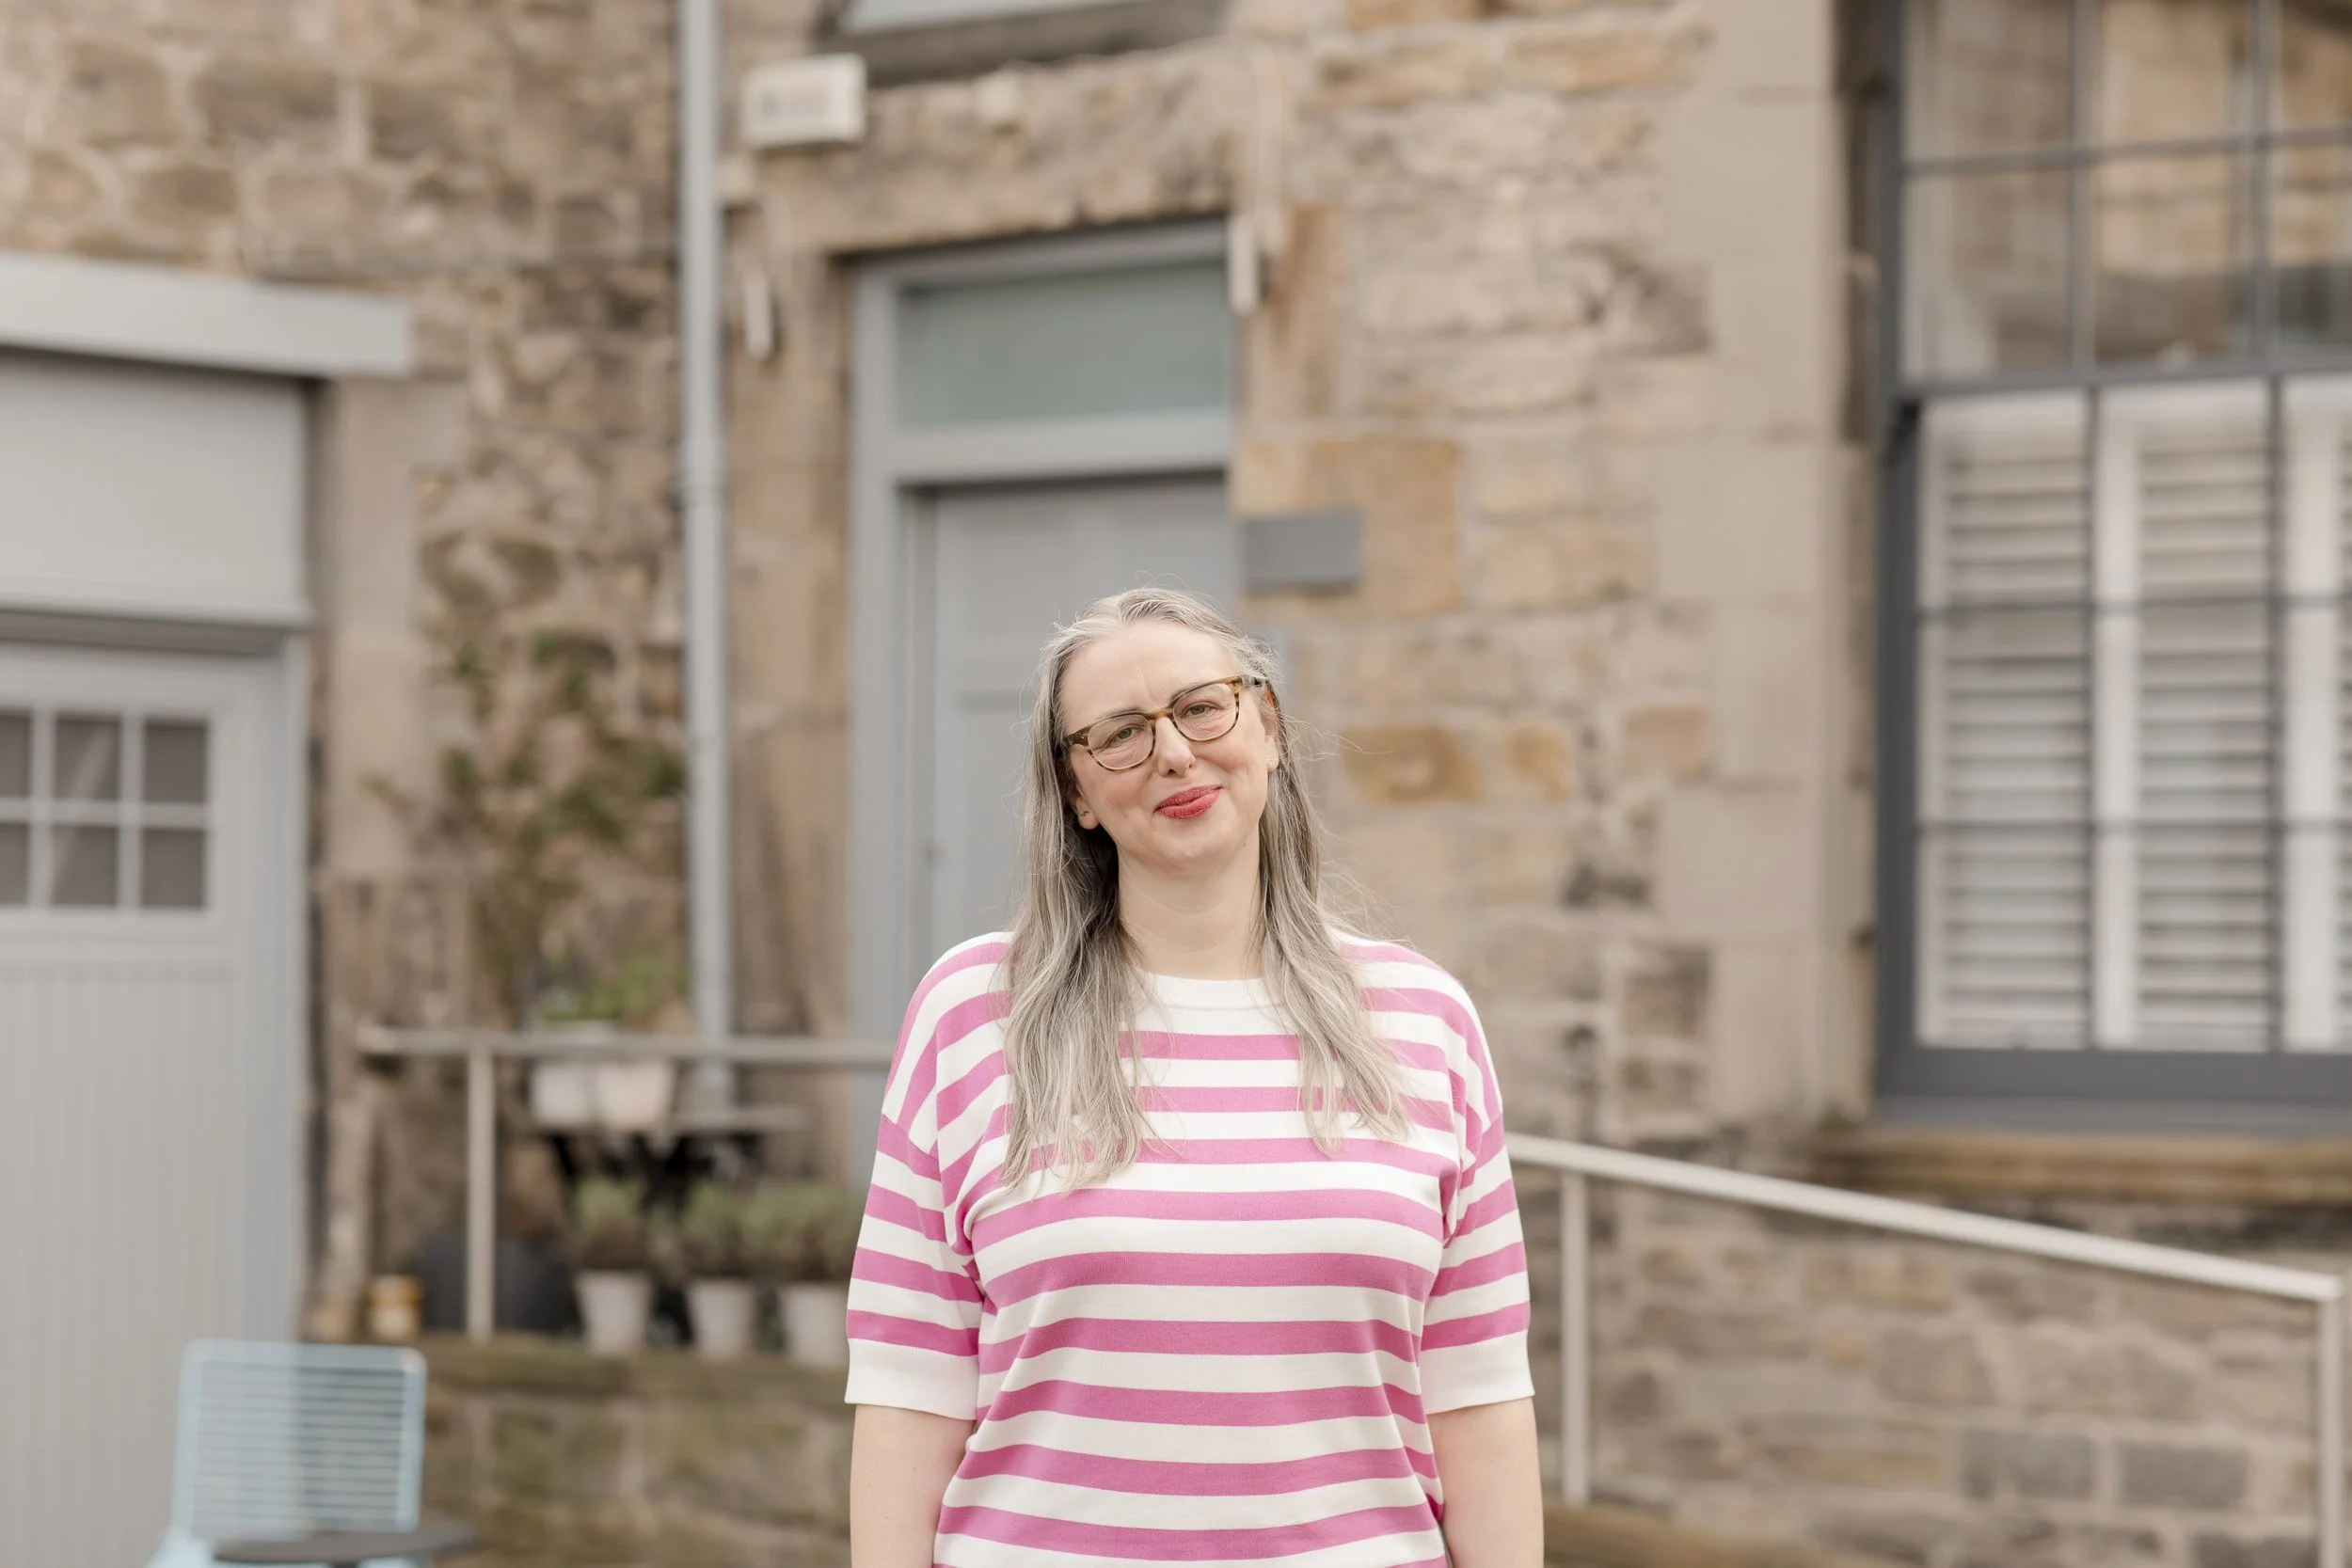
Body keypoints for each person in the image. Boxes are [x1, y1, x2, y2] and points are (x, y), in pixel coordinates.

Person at [844, 586, 1540, 1567]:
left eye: (1202, 707)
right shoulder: (972, 1015)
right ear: (1077, 792)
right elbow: (908, 1389)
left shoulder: (1424, 1020)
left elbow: (1477, 1394)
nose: (1172, 751)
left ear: (1268, 726)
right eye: (1120, 734)